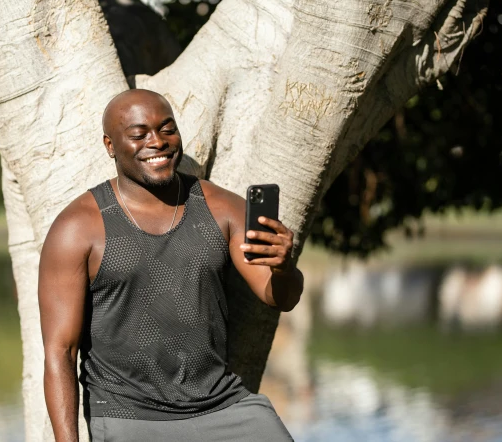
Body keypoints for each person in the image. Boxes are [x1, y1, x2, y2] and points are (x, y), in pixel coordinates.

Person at [39, 89, 304, 442]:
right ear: (110, 145)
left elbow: (279, 298)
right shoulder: (78, 228)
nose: (157, 142)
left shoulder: (220, 207)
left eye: (167, 129)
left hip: (222, 406)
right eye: (139, 134)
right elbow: (60, 351)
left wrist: (284, 268)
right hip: (129, 415)